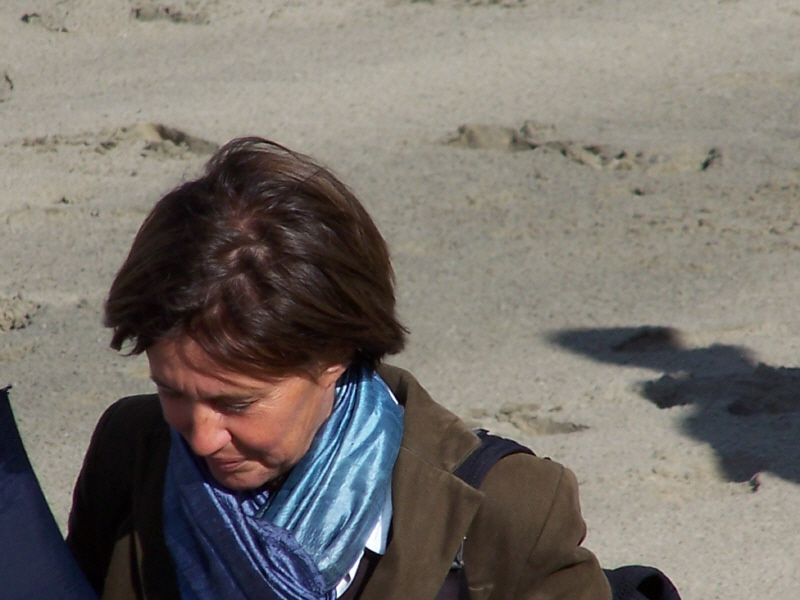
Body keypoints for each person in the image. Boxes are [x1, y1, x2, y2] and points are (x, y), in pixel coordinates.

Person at [67, 137, 611, 600]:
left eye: (237, 403)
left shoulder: (510, 508)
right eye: (172, 391)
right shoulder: (129, 449)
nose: (202, 437)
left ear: (335, 355)